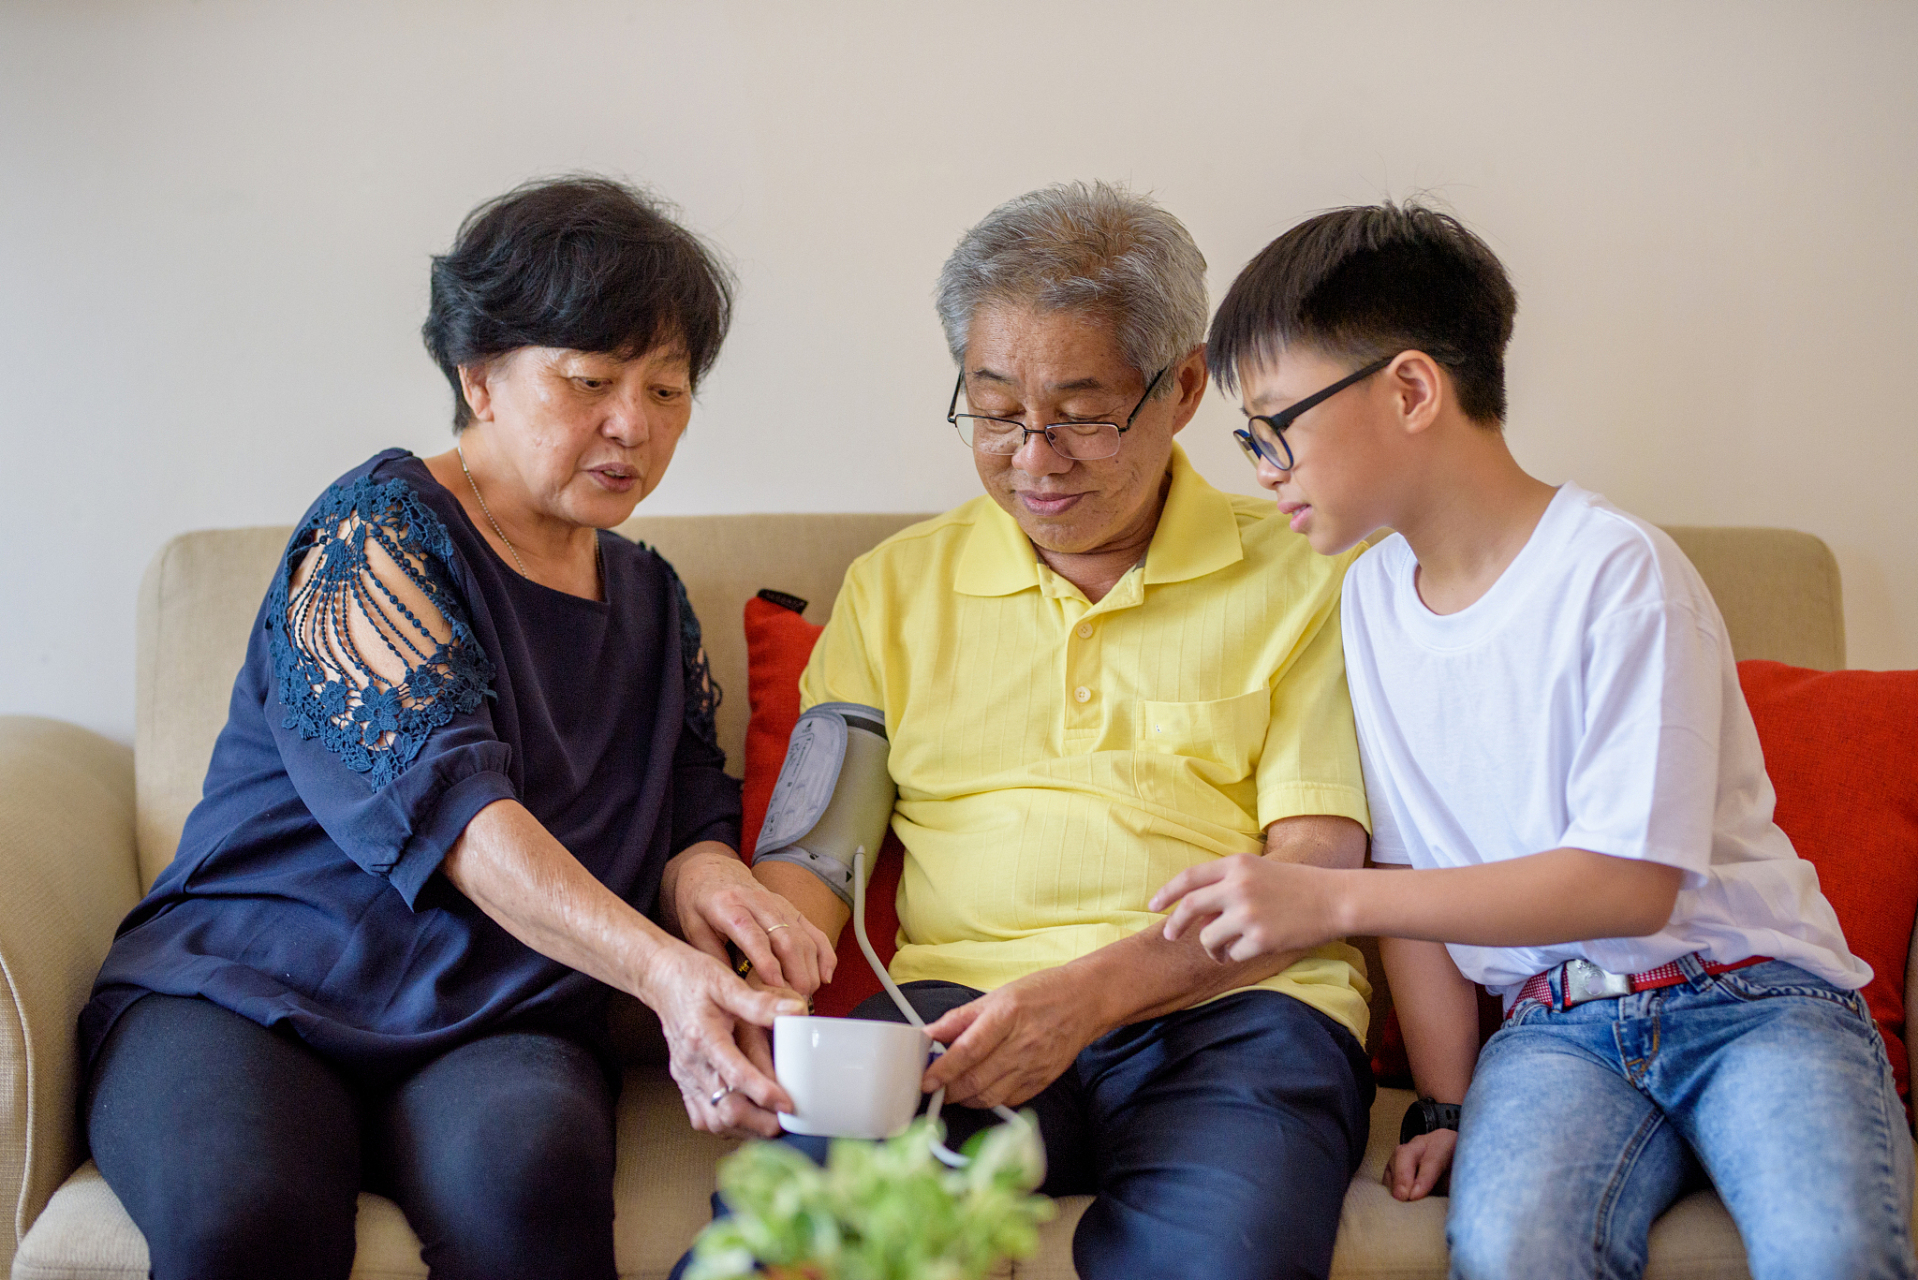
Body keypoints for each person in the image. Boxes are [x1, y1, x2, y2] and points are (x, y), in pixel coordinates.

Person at [80, 176, 836, 1280]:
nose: (635, 422)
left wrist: (713, 878)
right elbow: (459, 817)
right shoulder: (373, 531)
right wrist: (667, 973)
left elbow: (685, 800)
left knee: (531, 1186)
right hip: (251, 990)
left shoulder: (650, 593)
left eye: (667, 388)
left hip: (503, 1012)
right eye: (591, 380)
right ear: (479, 375)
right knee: (247, 1215)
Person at [1153, 202, 1915, 1279]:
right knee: (1510, 1247)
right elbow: (1413, 863)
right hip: (1553, 1032)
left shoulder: (1617, 573)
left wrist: (1327, 899)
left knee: (1829, 1248)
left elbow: (1628, 884)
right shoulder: (1363, 600)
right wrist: (1447, 1101)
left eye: (1276, 424)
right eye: (1251, 437)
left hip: (1749, 997)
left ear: (1411, 389)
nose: (1263, 465)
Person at [737, 182, 1378, 1280]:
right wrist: (757, 984)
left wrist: (1088, 994)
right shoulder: (892, 586)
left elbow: (1314, 870)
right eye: (994, 411)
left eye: (1081, 413)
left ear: (1181, 386)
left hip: (1237, 1012)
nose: (1033, 459)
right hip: (955, 1020)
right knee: (792, 1249)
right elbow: (813, 854)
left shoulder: (1308, 571)